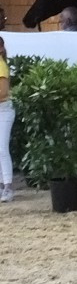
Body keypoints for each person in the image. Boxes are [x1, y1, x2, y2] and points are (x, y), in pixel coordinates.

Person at [0, 37, 12, 202]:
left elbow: (2, 92)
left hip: (4, 110)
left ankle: (8, 186)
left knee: (2, 148)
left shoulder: (1, 66)